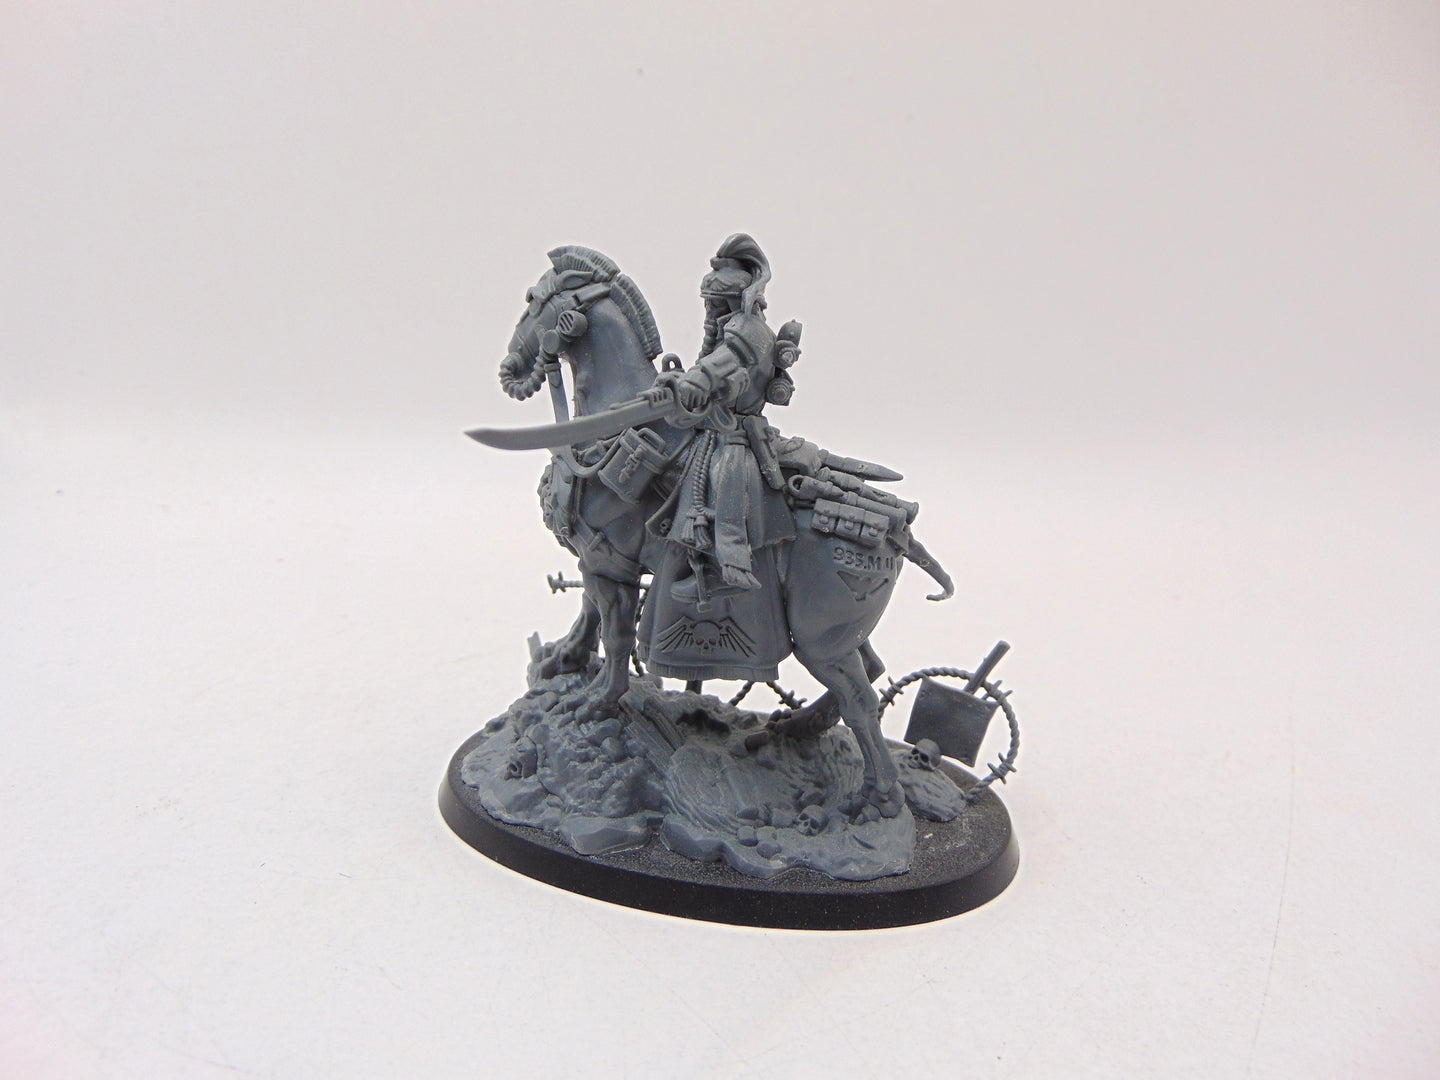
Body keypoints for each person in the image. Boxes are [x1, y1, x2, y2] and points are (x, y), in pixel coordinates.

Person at [642, 233, 797, 607]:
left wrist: (696, 380)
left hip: (736, 433)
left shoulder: (749, 330)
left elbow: (720, 364)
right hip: (712, 425)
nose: (710, 308)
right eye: (709, 301)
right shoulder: (727, 329)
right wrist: (678, 378)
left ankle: (729, 567)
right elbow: (706, 365)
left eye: (716, 301)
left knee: (725, 476)